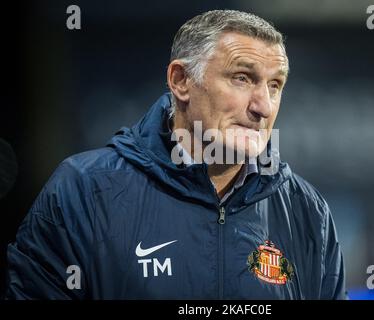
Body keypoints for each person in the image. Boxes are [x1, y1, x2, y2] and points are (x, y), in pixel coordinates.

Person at [5, 10, 347, 299]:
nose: (263, 106)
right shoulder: (83, 193)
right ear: (181, 81)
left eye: (275, 85)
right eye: (242, 78)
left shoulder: (307, 212)